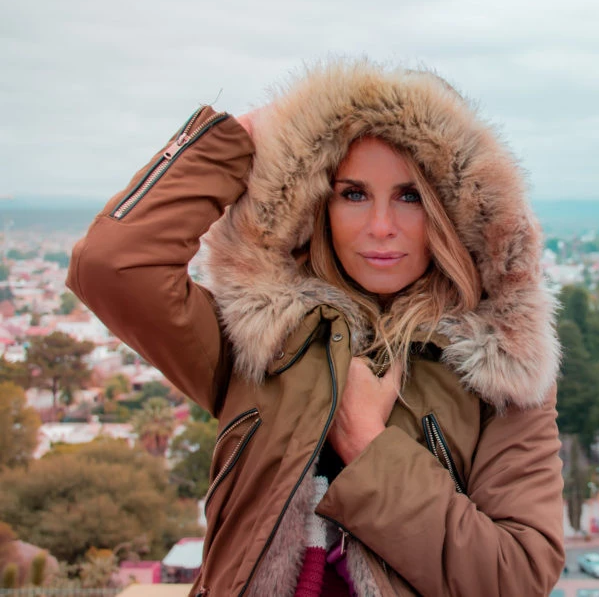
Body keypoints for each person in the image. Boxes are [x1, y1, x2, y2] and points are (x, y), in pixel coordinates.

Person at [67, 60, 565, 596]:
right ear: (316, 203)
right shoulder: (266, 340)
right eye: (353, 193)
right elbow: (111, 266)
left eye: (410, 195)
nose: (381, 226)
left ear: (455, 210)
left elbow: (516, 574)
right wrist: (241, 139)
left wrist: (367, 445)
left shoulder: (500, 370)